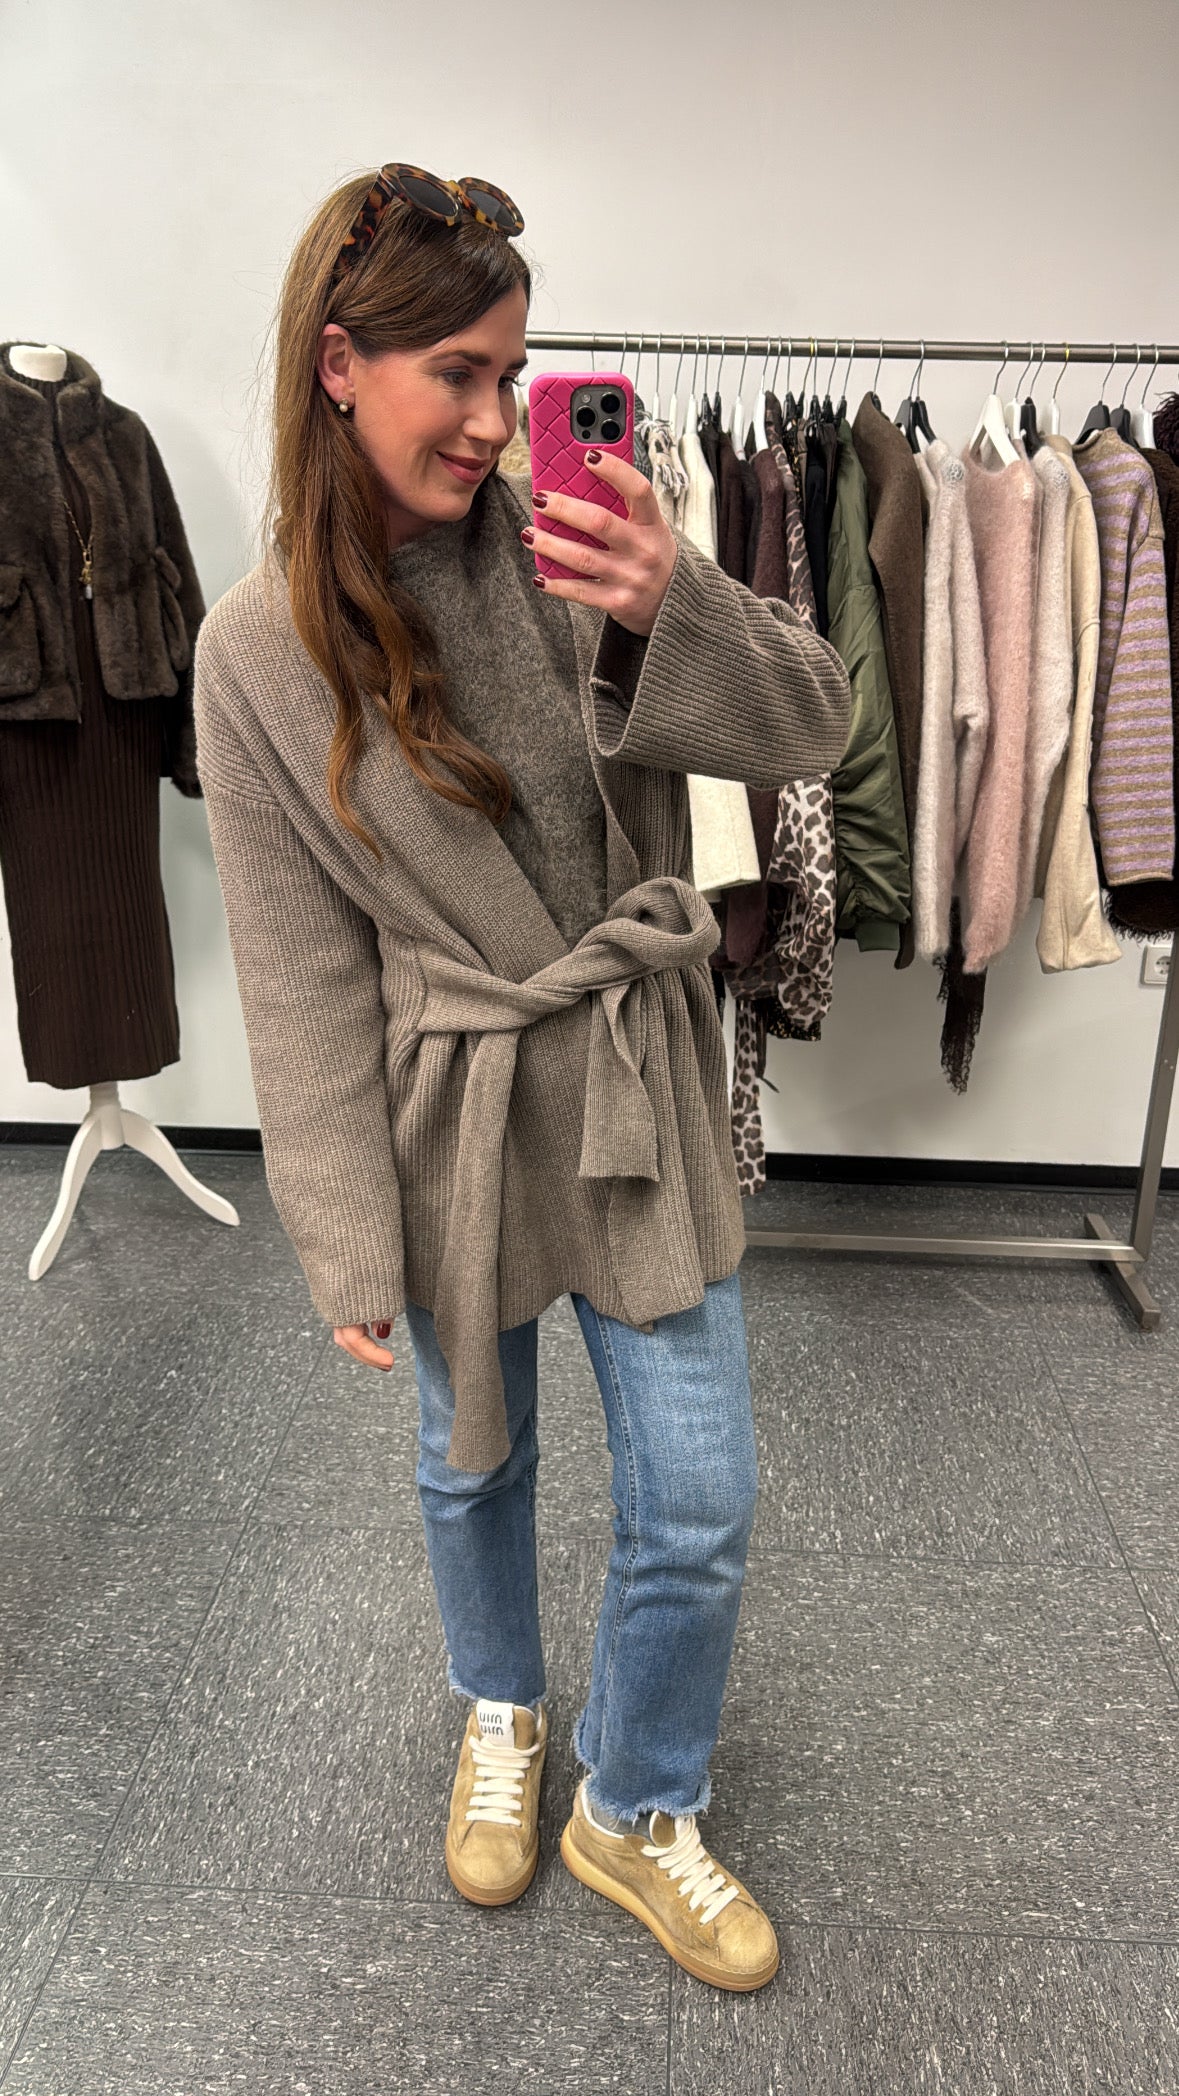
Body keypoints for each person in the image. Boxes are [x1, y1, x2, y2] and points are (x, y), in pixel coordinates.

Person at [193, 163, 852, 1995]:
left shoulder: (587, 553)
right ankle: (500, 1705)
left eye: (515, 375)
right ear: (341, 365)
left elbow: (818, 722)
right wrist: (340, 1228)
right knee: (469, 1461)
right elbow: (299, 968)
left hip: (633, 1076)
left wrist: (671, 602)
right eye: (456, 375)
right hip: (457, 1107)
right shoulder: (254, 651)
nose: (495, 421)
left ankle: (636, 1803)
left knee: (699, 1499)